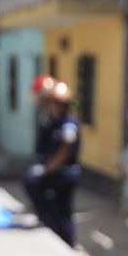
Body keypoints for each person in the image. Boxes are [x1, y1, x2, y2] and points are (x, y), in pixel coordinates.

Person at [24, 81, 81, 247]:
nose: (51, 107)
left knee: (63, 211)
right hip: (54, 172)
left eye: (55, 103)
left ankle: (68, 243)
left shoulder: (69, 125)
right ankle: (50, 222)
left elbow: (65, 151)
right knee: (53, 206)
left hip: (64, 174)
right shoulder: (51, 122)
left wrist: (45, 169)